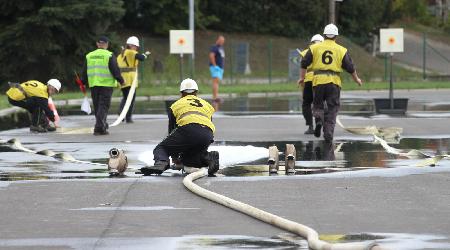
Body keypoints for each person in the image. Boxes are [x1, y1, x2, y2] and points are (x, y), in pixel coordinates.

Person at [140, 78, 219, 176]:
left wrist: (174, 156)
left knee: (161, 148)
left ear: (181, 93)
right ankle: (207, 157)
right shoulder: (206, 104)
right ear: (196, 92)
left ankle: (161, 163)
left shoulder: (176, 105)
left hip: (188, 128)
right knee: (188, 160)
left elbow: (172, 130)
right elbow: (207, 124)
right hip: (207, 133)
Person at [299, 24, 362, 142]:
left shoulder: (314, 48)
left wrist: (302, 77)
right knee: (332, 108)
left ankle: (318, 120)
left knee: (318, 105)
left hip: (318, 81)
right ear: (336, 37)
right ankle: (328, 132)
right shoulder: (341, 50)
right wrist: (356, 79)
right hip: (334, 82)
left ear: (324, 35)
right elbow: (350, 67)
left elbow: (304, 63)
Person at [81, 36, 124, 135]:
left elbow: (84, 71)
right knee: (103, 106)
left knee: (98, 106)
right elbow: (115, 70)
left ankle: (102, 125)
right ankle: (99, 127)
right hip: (106, 85)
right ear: (107, 44)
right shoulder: (109, 55)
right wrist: (121, 80)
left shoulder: (89, 55)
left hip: (94, 85)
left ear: (97, 44)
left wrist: (83, 82)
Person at [117, 36, 150, 123]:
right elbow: (141, 58)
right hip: (130, 80)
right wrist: (146, 54)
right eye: (135, 46)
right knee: (131, 98)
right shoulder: (131, 52)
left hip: (122, 79)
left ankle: (122, 113)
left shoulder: (121, 54)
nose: (136, 48)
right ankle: (127, 116)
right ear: (130, 45)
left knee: (126, 97)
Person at [298, 34, 324, 134]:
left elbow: (302, 66)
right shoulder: (324, 52)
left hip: (308, 80)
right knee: (318, 103)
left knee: (306, 103)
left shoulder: (306, 52)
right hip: (320, 80)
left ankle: (310, 126)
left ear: (311, 42)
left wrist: (301, 79)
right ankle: (319, 121)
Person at [209, 35, 225, 110]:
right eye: (221, 41)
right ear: (218, 40)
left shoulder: (221, 48)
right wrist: (215, 65)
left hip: (220, 68)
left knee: (217, 82)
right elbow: (211, 56)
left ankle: (215, 96)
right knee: (215, 82)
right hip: (216, 68)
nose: (222, 42)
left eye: (223, 41)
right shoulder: (214, 47)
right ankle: (215, 98)